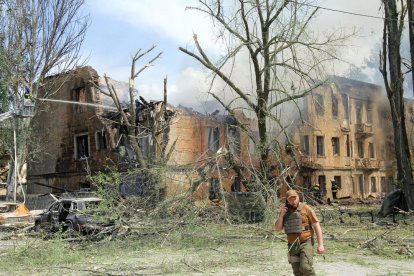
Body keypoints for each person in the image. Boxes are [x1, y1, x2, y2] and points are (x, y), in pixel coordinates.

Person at [275, 190, 325, 276]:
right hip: (292, 245)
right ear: (287, 200)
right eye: (290, 199)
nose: (293, 201)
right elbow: (278, 229)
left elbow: (317, 226)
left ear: (298, 197)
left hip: (306, 243)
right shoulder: (285, 211)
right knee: (297, 272)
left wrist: (320, 245)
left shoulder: (306, 208)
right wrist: (281, 215)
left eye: (295, 198)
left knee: (305, 267)